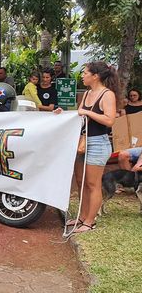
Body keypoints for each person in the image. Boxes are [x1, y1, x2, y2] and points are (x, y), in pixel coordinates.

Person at [66, 61, 119, 233]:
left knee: (92, 184)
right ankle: (82, 217)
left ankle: (90, 222)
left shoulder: (107, 95)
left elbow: (110, 120)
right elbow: (79, 116)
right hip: (82, 141)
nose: (82, 75)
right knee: (81, 182)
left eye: (85, 73)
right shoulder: (88, 93)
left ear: (95, 76)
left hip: (98, 143)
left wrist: (88, 112)